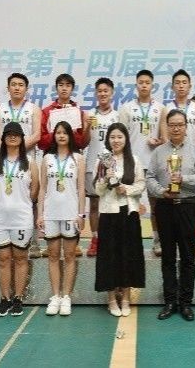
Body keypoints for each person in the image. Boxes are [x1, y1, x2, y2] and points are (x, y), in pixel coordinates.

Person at [146, 109, 195, 321]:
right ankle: (170, 301)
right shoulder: (158, 152)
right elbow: (150, 178)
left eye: (180, 124)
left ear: (186, 127)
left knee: (188, 257)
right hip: (165, 206)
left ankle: (186, 303)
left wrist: (183, 179)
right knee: (168, 257)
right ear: (167, 127)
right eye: (172, 125)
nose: (176, 128)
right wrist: (160, 191)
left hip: (187, 206)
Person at [94, 123, 145, 317]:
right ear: (108, 140)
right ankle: (111, 299)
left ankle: (125, 298)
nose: (116, 140)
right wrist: (105, 180)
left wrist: (127, 189)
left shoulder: (134, 160)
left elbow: (141, 185)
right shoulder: (102, 161)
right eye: (112, 137)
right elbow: (98, 191)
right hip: (109, 213)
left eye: (119, 137)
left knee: (128, 256)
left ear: (126, 139)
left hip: (129, 213)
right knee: (109, 257)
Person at [0, 122, 39, 317]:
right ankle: (4, 299)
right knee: (2, 259)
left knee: (20, 258)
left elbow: (34, 190)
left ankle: (18, 298)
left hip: (21, 217)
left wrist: (21, 204)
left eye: (16, 134)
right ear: (3, 138)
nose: (12, 136)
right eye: (8, 133)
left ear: (22, 138)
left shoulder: (30, 162)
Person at [0, 72, 42, 258]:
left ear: (26, 89)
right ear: (8, 88)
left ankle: (32, 242)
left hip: (27, 159)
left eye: (21, 85)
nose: (17, 87)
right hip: (3, 158)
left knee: (29, 199)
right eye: (13, 84)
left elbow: (37, 135)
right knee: (0, 196)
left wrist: (18, 148)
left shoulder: (34, 109)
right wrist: (7, 148)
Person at [38, 73, 90, 257]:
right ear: (56, 88)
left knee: (74, 193)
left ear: (72, 88)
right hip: (52, 157)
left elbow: (83, 141)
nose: (64, 88)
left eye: (68, 85)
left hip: (73, 158)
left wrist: (76, 131)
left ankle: (73, 242)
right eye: (61, 85)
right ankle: (50, 240)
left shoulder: (79, 111)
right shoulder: (47, 111)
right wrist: (58, 132)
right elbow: (41, 141)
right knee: (50, 193)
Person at [37, 121, 86, 316]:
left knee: (70, 255)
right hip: (51, 214)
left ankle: (66, 297)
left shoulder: (78, 158)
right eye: (58, 132)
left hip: (71, 214)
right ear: (54, 136)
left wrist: (81, 214)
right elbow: (42, 188)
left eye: (65, 132)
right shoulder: (47, 158)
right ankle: (55, 296)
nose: (62, 135)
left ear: (70, 136)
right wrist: (40, 214)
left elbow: (81, 189)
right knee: (53, 255)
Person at [119, 70, 166, 256]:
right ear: (136, 85)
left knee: (156, 206)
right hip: (133, 164)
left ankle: (158, 240)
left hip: (155, 164)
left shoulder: (160, 108)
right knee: (130, 206)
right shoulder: (126, 108)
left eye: (147, 82)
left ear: (152, 85)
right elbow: (120, 137)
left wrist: (159, 142)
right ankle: (129, 241)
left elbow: (165, 138)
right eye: (141, 82)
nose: (144, 85)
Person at [165, 69, 195, 259]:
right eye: (177, 83)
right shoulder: (167, 108)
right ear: (173, 86)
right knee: (172, 201)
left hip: (192, 159)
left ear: (190, 86)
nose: (181, 86)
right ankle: (167, 240)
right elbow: (165, 135)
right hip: (172, 160)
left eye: (184, 83)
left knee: (193, 201)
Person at [84, 77, 119, 257]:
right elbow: (83, 142)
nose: (103, 94)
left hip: (111, 165)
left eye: (106, 91)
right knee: (94, 204)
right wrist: (86, 126)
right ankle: (95, 239)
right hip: (92, 164)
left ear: (112, 93)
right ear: (96, 94)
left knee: (112, 203)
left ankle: (110, 239)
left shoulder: (118, 116)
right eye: (99, 91)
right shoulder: (89, 114)